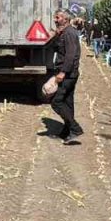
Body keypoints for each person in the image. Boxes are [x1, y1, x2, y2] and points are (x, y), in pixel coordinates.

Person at [49, 9, 84, 145]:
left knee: (56, 102)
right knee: (68, 103)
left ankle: (75, 129)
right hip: (69, 74)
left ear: (66, 19)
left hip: (68, 75)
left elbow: (71, 55)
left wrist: (63, 72)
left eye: (57, 17)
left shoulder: (70, 33)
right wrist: (56, 35)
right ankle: (66, 132)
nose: (55, 20)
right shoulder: (64, 33)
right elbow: (53, 48)